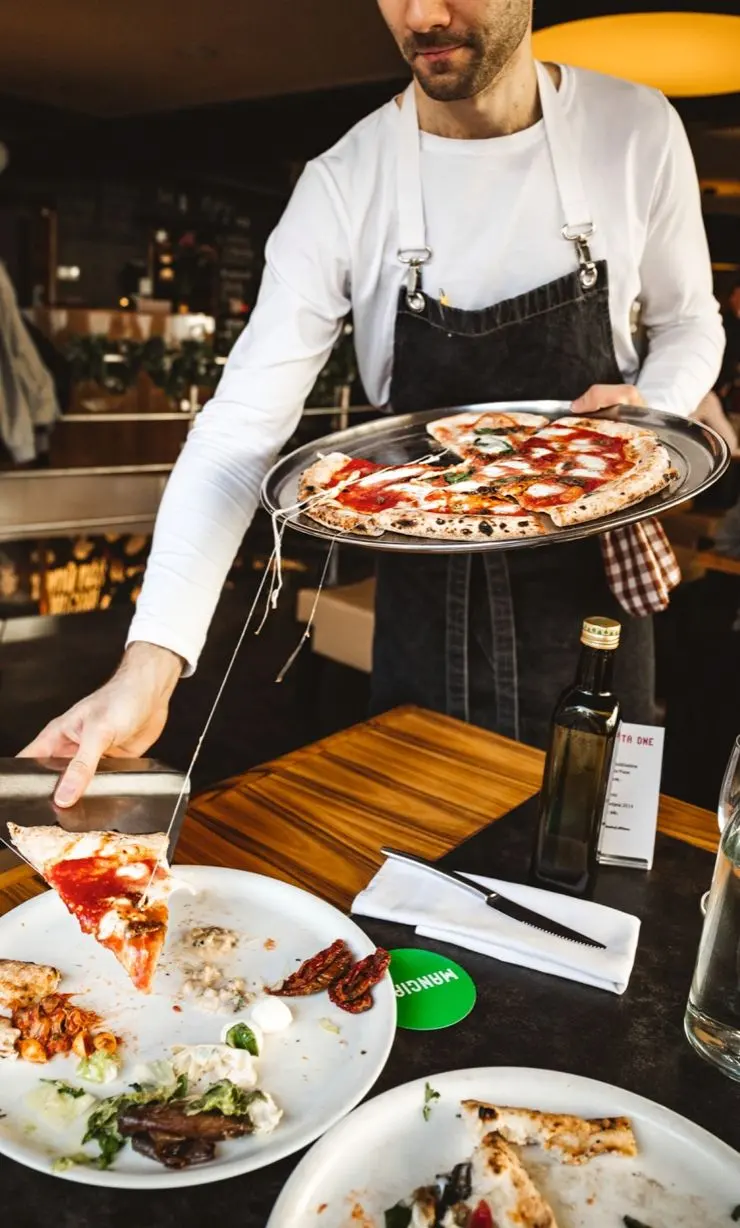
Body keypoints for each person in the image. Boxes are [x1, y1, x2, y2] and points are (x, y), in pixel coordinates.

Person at [21, 0, 725, 804]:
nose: (422, 14)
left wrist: (640, 417)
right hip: (426, 607)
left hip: (593, 599)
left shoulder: (633, 130)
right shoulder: (345, 182)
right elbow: (236, 432)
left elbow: (691, 324)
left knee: (593, 854)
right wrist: (149, 661)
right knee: (419, 865)